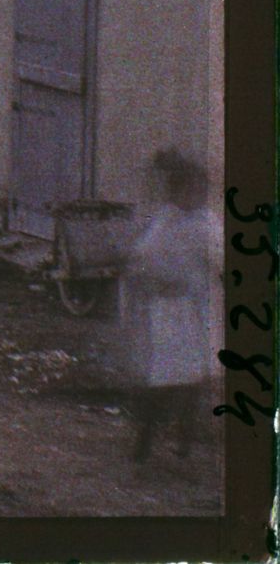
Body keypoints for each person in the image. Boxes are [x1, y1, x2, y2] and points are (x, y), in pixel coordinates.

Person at [119, 148, 223, 463]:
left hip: (195, 311)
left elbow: (221, 257)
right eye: (186, 190)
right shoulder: (166, 220)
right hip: (166, 310)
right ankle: (145, 440)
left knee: (193, 380)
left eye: (199, 190)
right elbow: (145, 255)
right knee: (162, 378)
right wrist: (149, 277)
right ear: (175, 191)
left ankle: (184, 444)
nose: (193, 196)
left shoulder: (206, 224)